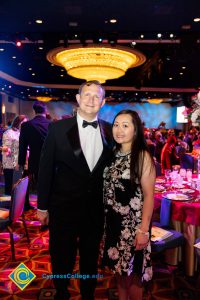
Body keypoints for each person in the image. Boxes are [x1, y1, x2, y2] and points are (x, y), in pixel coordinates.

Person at [37, 80, 113, 300]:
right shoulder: (58, 128)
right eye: (86, 95)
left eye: (96, 96)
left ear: (103, 102)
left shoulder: (109, 130)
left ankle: (87, 294)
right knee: (62, 256)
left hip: (95, 209)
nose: (91, 99)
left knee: (90, 257)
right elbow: (45, 168)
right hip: (63, 208)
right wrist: (42, 206)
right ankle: (61, 292)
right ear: (78, 99)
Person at [102, 110, 156, 300]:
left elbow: (149, 196)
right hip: (113, 224)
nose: (119, 130)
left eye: (126, 125)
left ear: (136, 130)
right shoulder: (112, 153)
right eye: (116, 124)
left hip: (133, 227)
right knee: (119, 274)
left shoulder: (142, 156)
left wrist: (143, 230)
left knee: (134, 277)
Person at [18, 101, 51, 209]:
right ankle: (47, 206)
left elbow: (22, 146)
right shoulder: (52, 124)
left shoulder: (26, 125)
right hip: (51, 160)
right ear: (45, 111)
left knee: (36, 185)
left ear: (34, 110)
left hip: (34, 160)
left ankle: (35, 207)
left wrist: (21, 163)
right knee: (49, 185)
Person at [2, 115, 28, 195]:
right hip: (10, 164)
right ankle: (8, 205)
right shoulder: (8, 133)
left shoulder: (21, 132)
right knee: (9, 187)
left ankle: (17, 205)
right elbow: (6, 149)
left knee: (18, 187)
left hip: (19, 163)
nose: (25, 125)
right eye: (24, 123)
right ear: (18, 122)